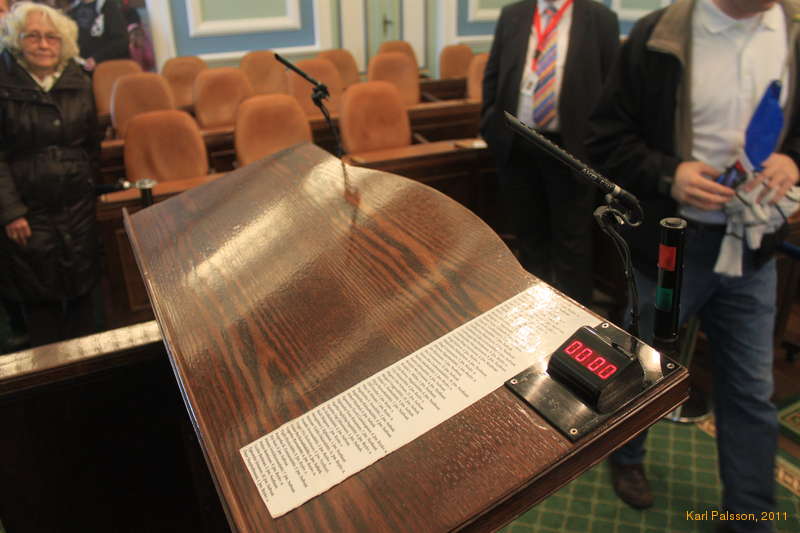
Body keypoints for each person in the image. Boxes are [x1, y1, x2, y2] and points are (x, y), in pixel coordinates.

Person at [587, 0, 800, 530]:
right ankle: (627, 458)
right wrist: (669, 174)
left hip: (752, 249)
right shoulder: (660, 33)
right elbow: (605, 139)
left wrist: (795, 157)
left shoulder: (795, 33)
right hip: (671, 248)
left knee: (750, 390)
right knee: (642, 369)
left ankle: (748, 517)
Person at [480, 0, 619, 306]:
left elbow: (612, 89)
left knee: (574, 244)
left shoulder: (601, 19)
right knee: (528, 238)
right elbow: (493, 75)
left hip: (571, 150)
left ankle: (573, 321)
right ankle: (531, 311)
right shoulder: (513, 14)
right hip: (517, 144)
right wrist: (492, 127)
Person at [0, 1, 102, 346]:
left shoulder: (79, 81)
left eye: (52, 38)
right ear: (17, 41)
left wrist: (91, 190)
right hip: (28, 215)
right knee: (39, 298)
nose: (44, 45)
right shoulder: (4, 83)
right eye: (33, 37)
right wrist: (11, 212)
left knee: (84, 292)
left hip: (77, 207)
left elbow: (92, 143)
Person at [65, 0, 128, 72]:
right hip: (79, 69)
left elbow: (122, 40)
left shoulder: (108, 6)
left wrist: (96, 58)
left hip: (105, 70)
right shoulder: (73, 8)